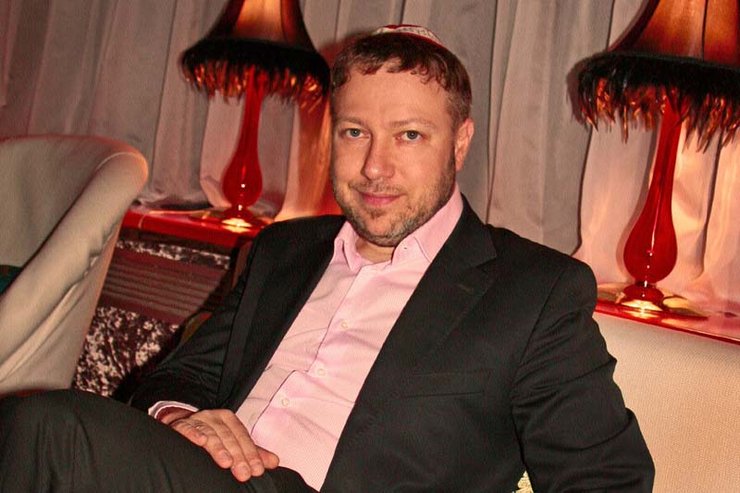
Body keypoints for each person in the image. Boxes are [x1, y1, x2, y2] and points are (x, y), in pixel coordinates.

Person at [0, 25, 654, 492]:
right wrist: (184, 418)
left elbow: (605, 478)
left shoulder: (532, 290)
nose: (375, 167)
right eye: (354, 132)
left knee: (50, 426)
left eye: (409, 135)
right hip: (208, 475)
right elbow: (183, 376)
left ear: (460, 143)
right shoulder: (284, 249)